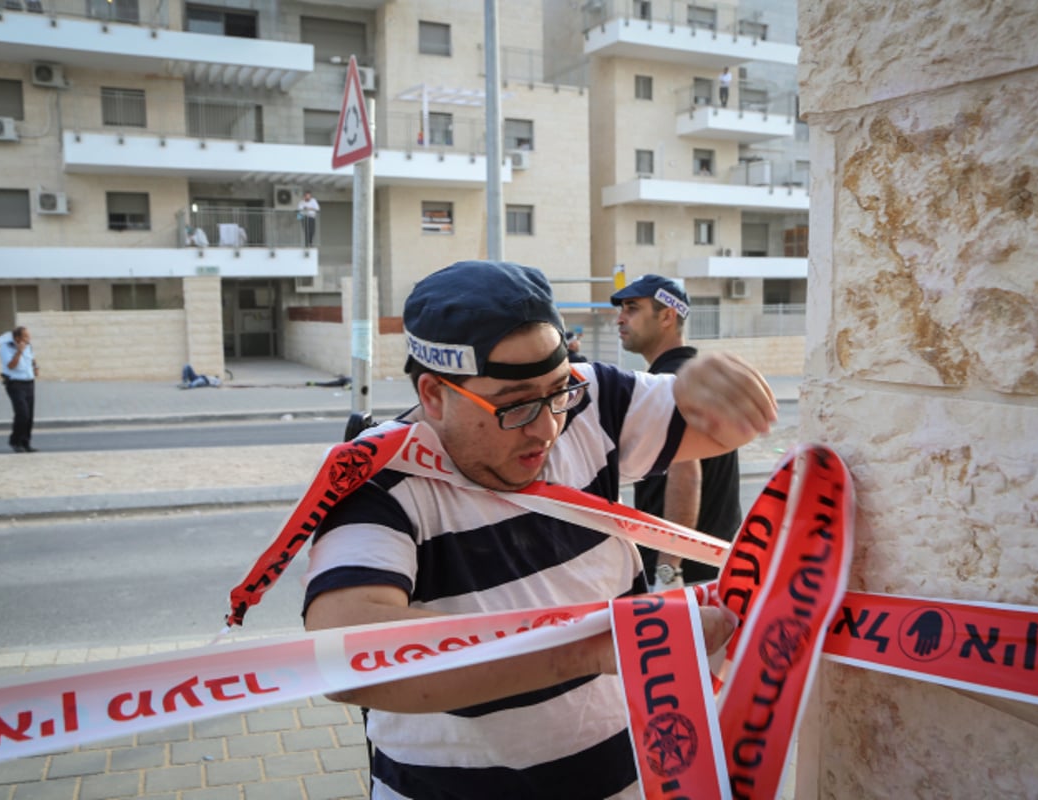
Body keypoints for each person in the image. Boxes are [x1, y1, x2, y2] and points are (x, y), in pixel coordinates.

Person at [302, 260, 777, 799]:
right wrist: (589, 650)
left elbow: (721, 427)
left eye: (557, 390)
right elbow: (347, 659)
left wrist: (708, 385)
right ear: (435, 395)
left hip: (632, 775)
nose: (548, 427)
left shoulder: (587, 402)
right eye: (517, 405)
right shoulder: (375, 483)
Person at [612, 274, 742, 593]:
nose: (620, 318)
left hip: (684, 576)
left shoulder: (671, 383)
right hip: (713, 567)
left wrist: (668, 571)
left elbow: (687, 475)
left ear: (668, 316)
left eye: (632, 308)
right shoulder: (697, 376)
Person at [0, 326, 38, 453]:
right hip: (15, 383)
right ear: (17, 338)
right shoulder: (6, 348)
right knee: (22, 413)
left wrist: (36, 367)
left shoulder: (29, 346)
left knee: (29, 415)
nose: (28, 338)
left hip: (29, 383)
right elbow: (11, 365)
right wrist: (19, 352)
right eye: (25, 336)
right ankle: (15, 441)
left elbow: (32, 359)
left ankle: (26, 442)